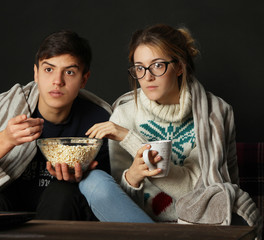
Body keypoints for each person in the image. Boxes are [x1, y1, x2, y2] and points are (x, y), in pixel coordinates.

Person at [80, 24, 262, 238]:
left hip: (198, 223)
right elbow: (119, 202)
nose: (147, 77)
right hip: (139, 226)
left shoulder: (215, 113)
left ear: (179, 66)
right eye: (139, 68)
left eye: (157, 65)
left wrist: (129, 139)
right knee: (93, 182)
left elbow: (196, 192)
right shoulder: (124, 116)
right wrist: (133, 177)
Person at [0, 30, 112, 221]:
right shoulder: (9, 110)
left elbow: (107, 189)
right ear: (36, 73)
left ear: (84, 79)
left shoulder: (100, 121)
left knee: (62, 191)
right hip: (8, 206)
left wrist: (82, 177)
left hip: (64, 211)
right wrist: (6, 139)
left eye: (69, 72)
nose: (57, 81)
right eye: (48, 69)